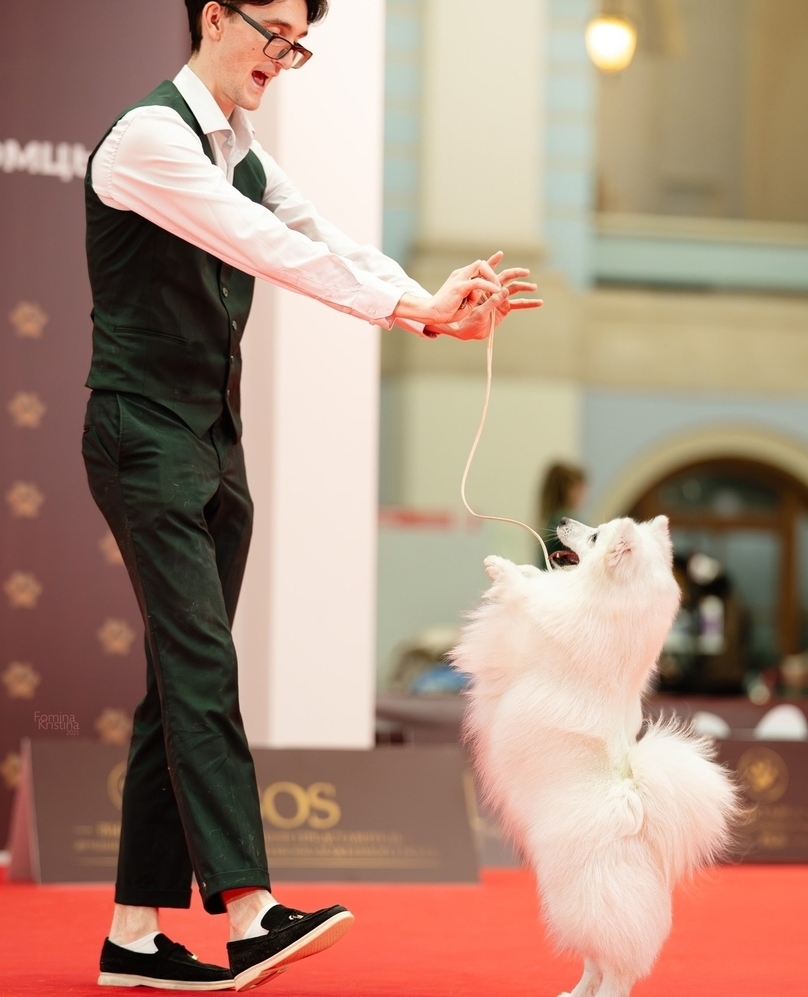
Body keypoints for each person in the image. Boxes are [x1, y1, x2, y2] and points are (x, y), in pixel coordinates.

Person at [81, 1, 542, 990]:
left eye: (299, 43)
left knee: (177, 680)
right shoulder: (148, 138)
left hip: (212, 440)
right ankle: (249, 911)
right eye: (276, 34)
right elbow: (262, 245)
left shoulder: (243, 151)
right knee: (201, 665)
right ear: (214, 17)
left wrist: (430, 311)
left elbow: (320, 236)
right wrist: (412, 307)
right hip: (142, 434)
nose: (285, 58)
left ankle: (133, 934)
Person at [539, 463, 587, 562]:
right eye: (580, 488)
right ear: (569, 489)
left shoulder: (551, 520)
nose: (584, 494)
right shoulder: (564, 523)